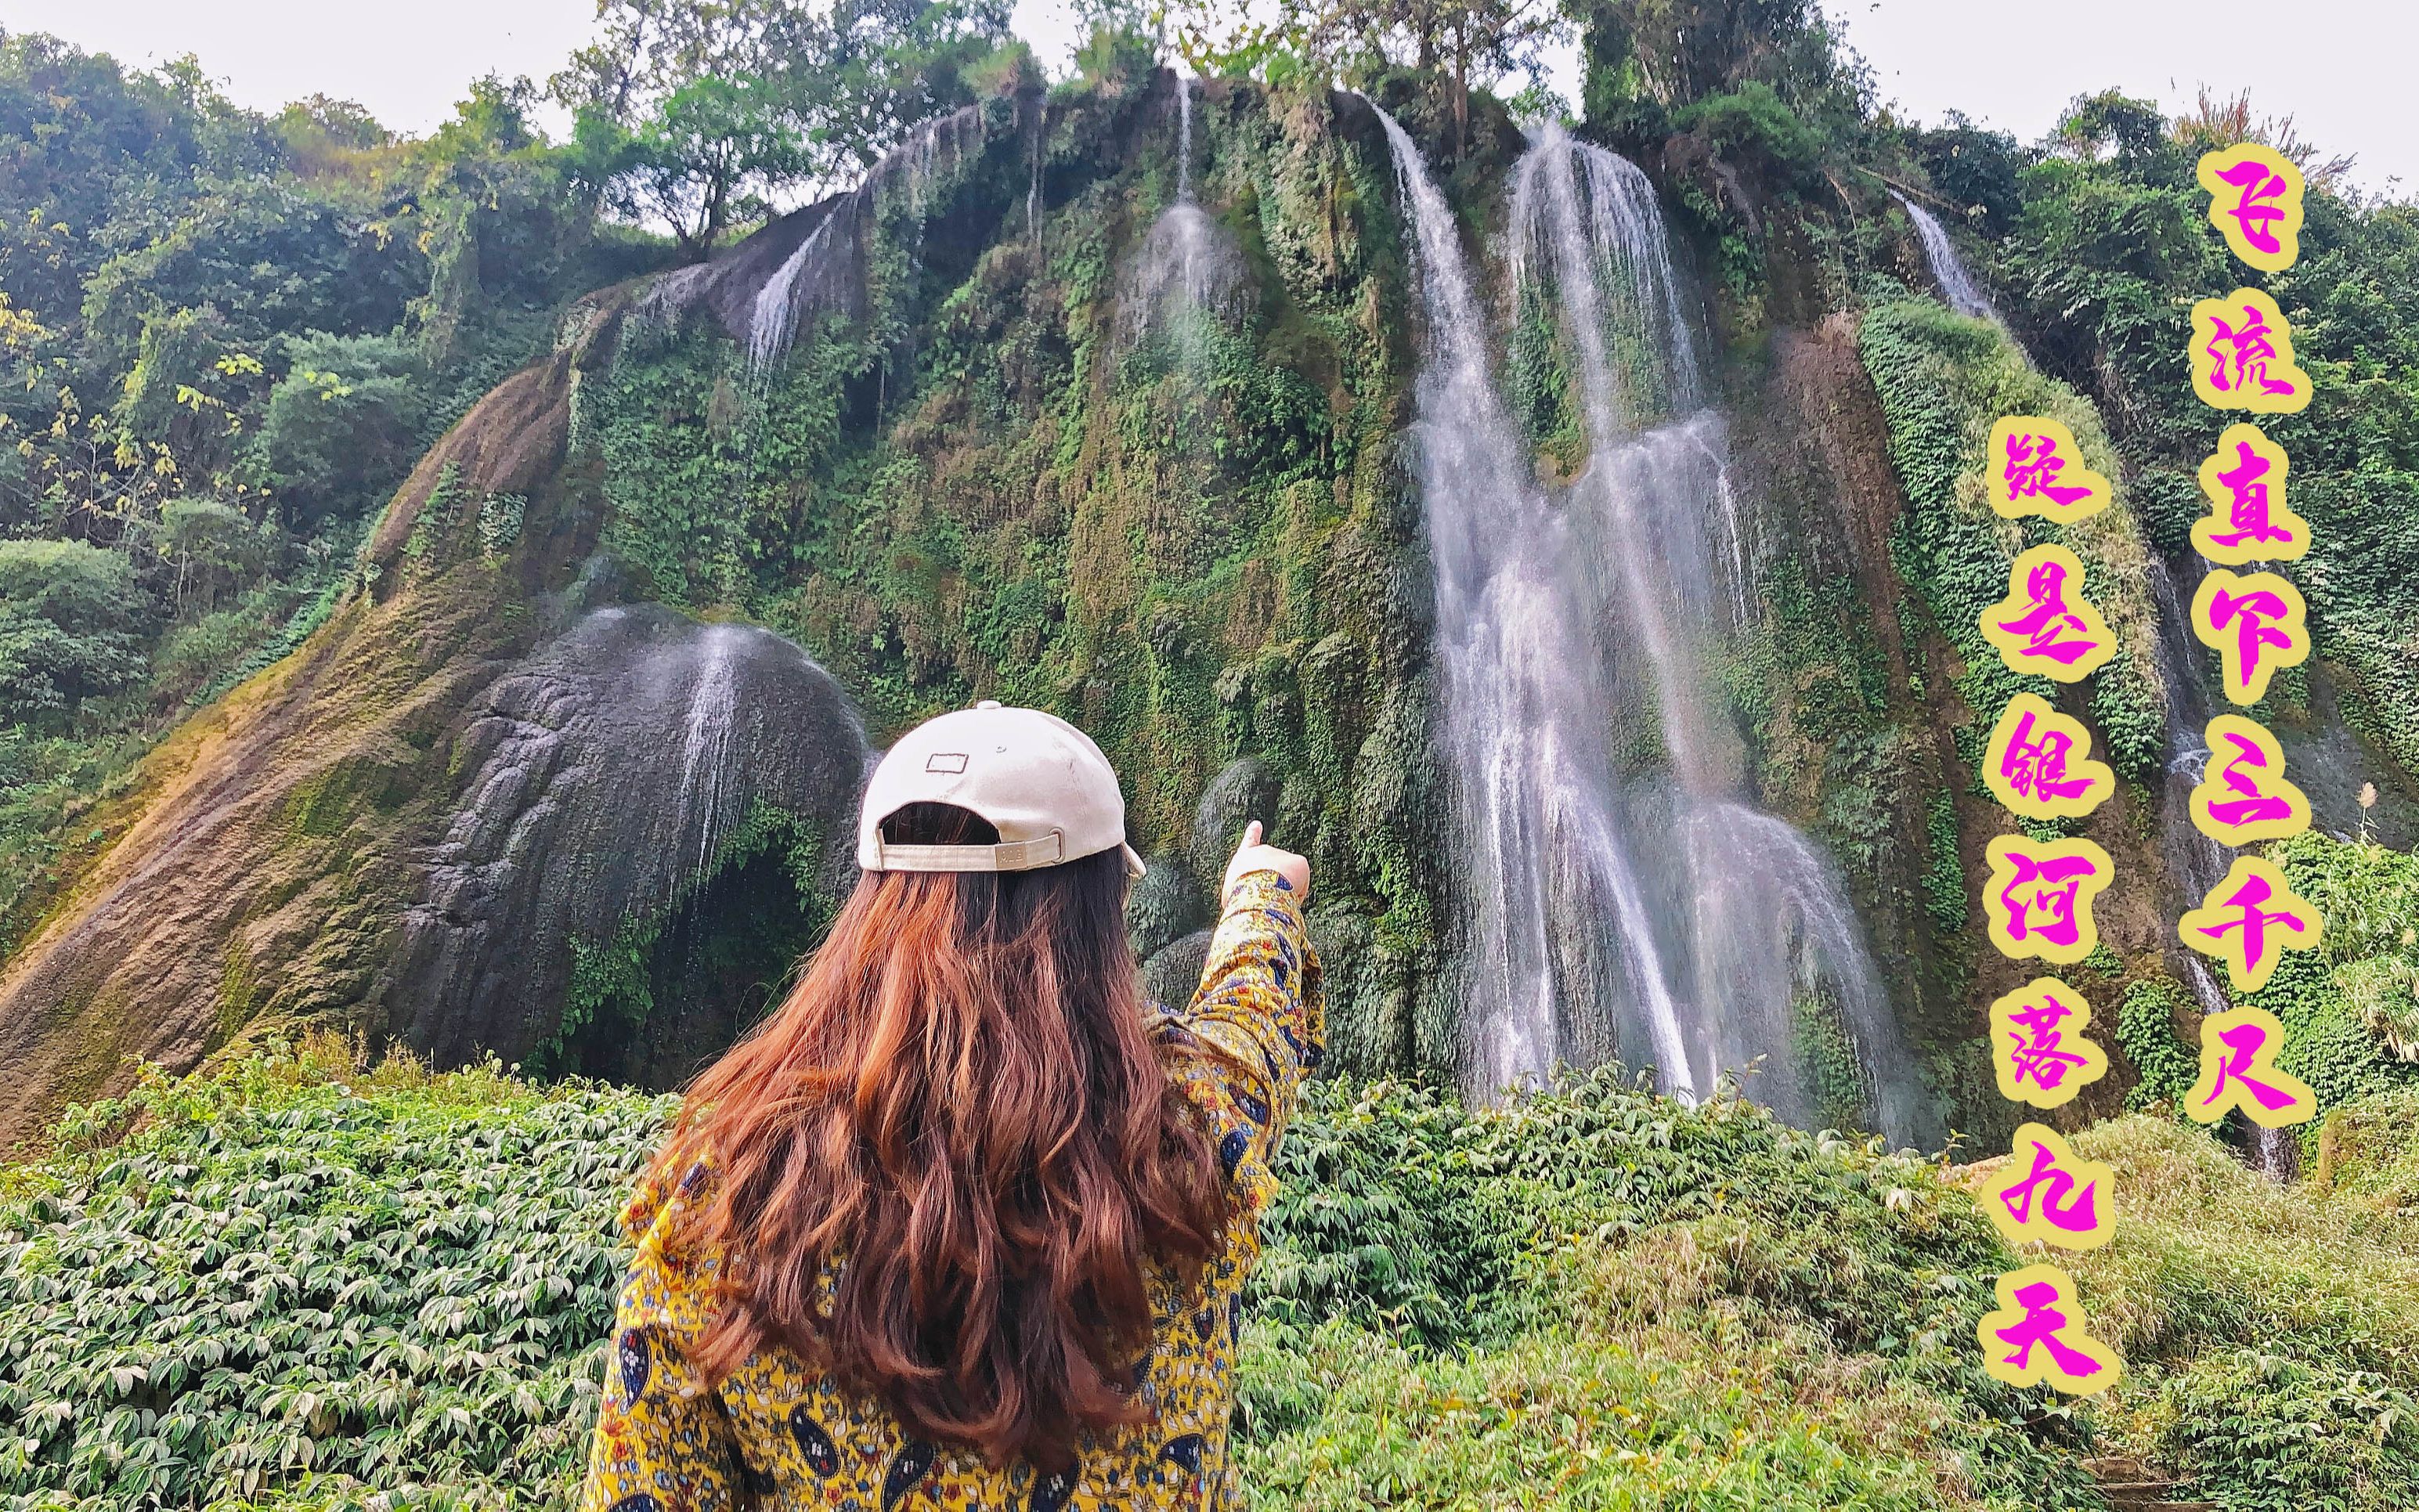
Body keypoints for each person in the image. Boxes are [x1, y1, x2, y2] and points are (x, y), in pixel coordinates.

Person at [578, 701, 1320, 1511]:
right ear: (1099, 914)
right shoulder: (1187, 1126)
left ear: (869, 908)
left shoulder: (727, 1190)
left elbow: (642, 1487)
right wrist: (1260, 893)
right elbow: (1253, 1022)